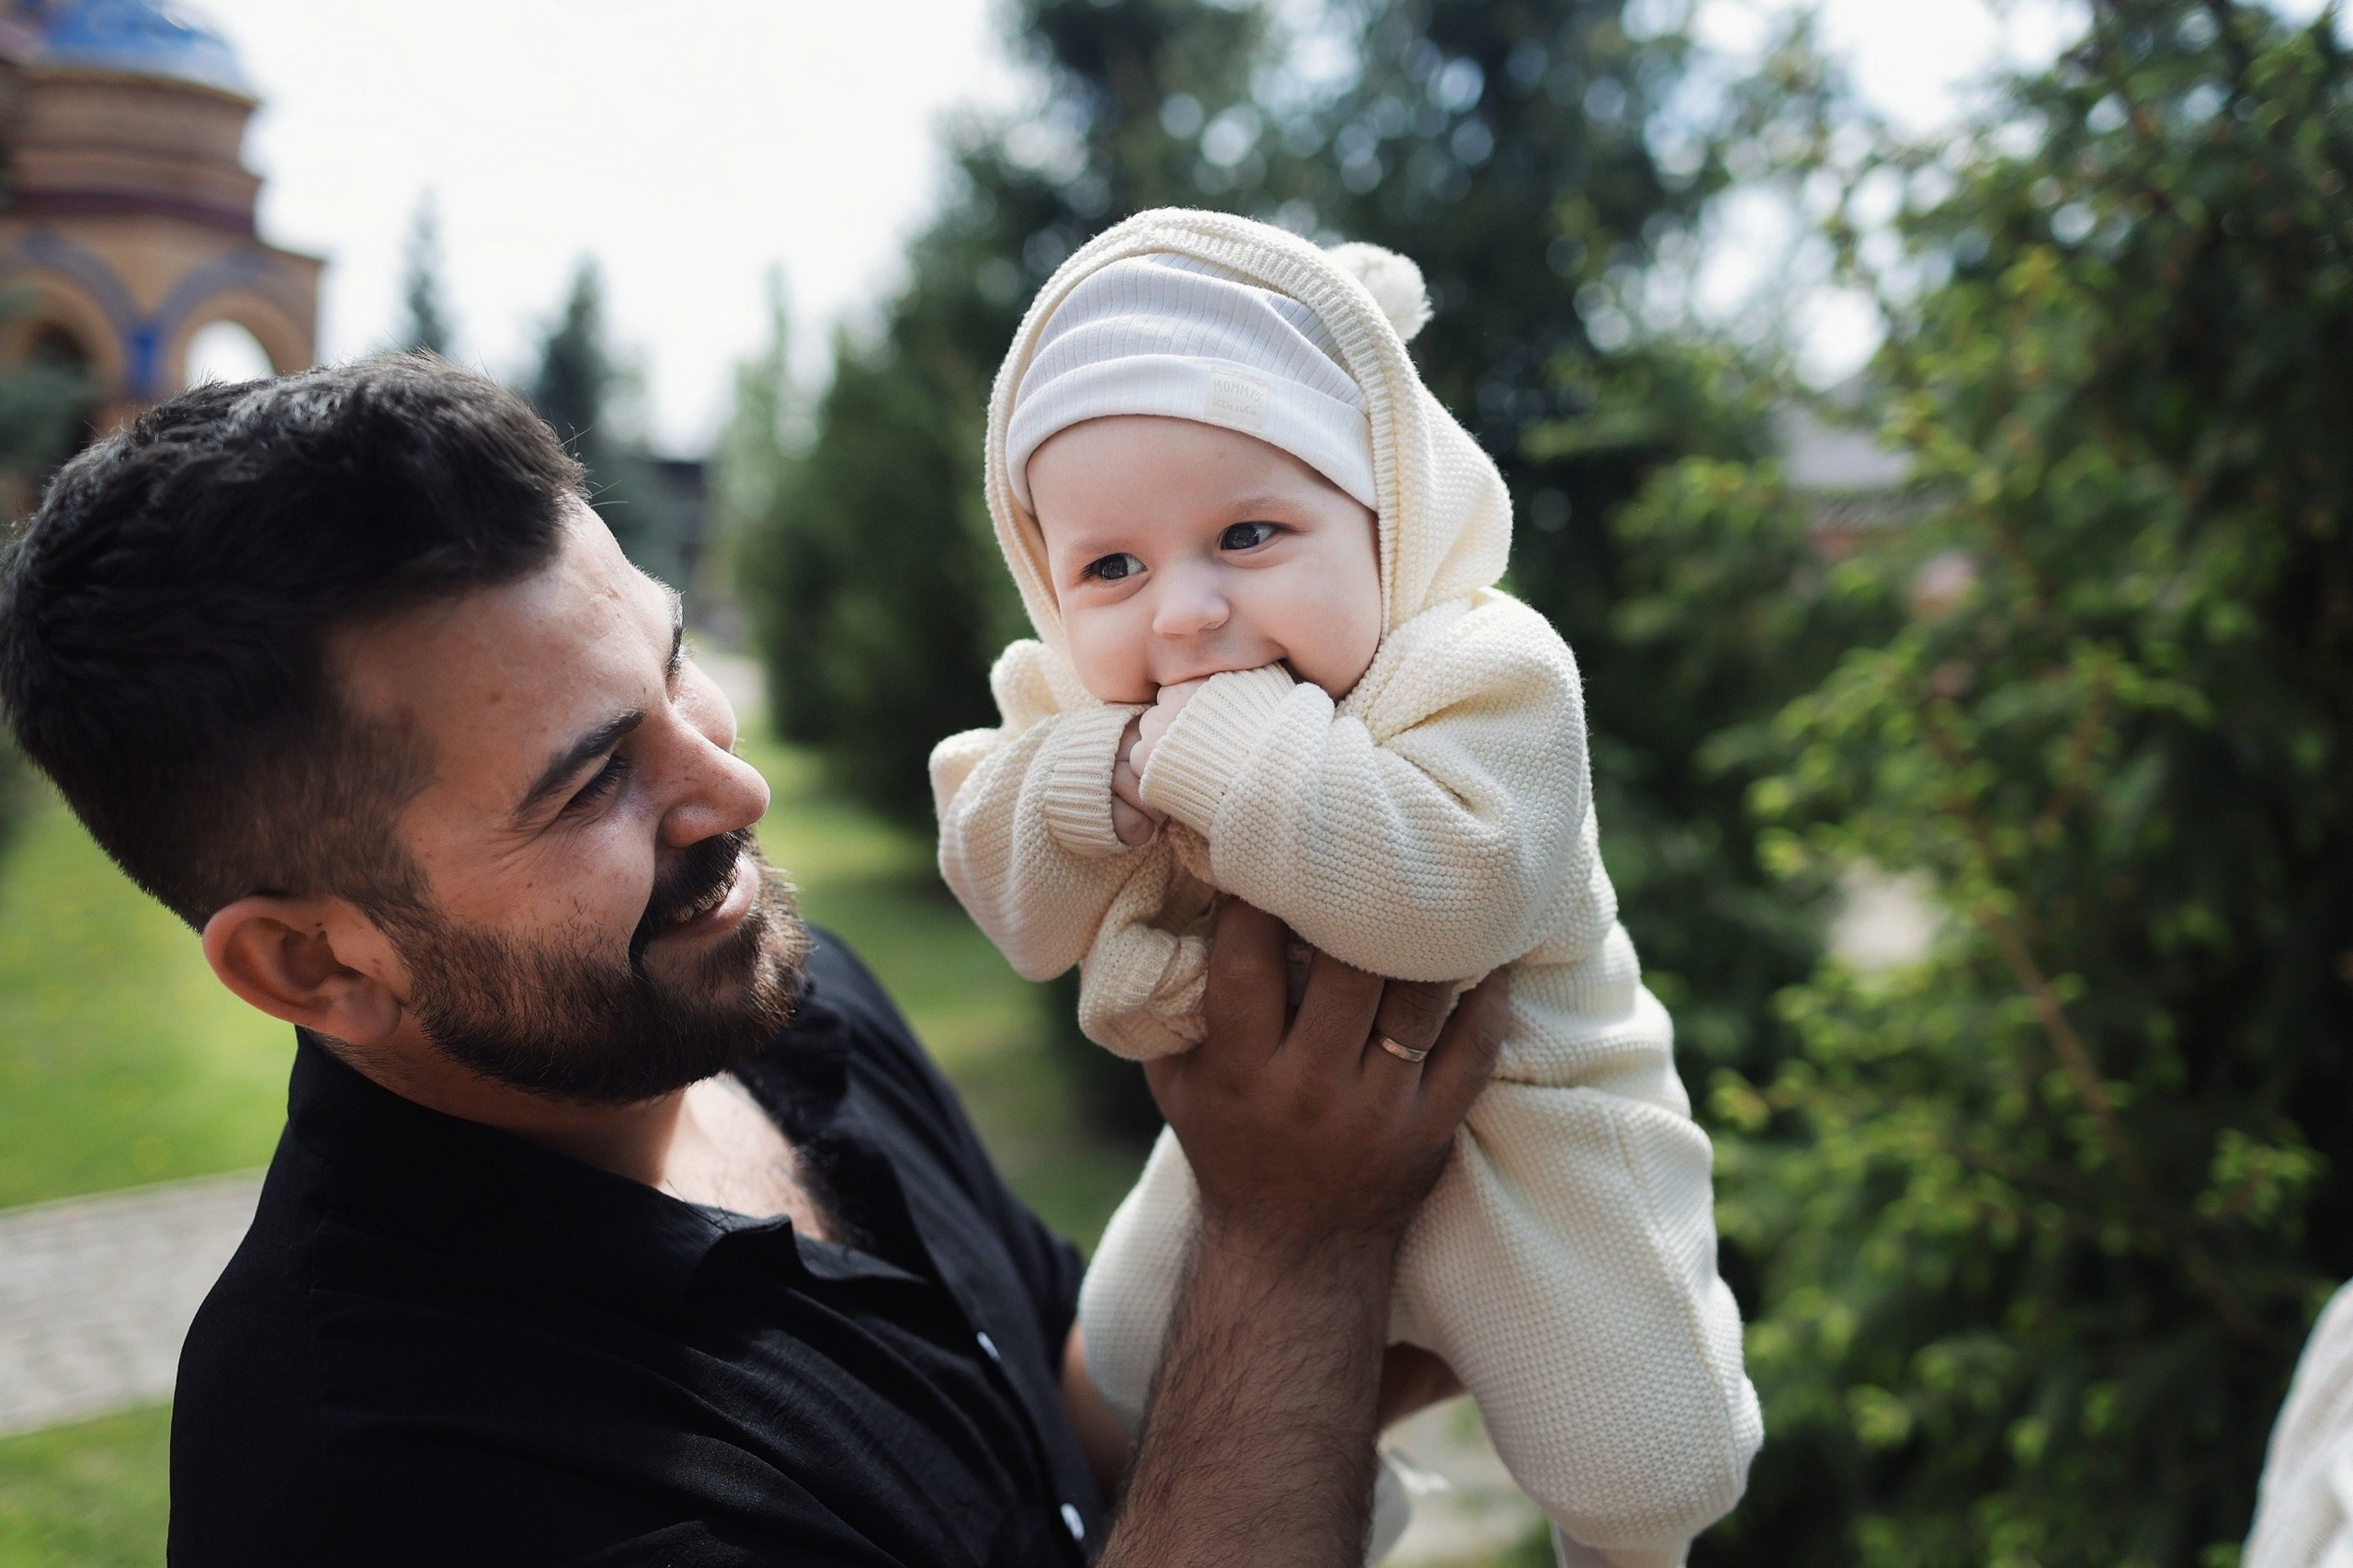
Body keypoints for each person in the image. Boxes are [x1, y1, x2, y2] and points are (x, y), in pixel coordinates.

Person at [0, 356, 1507, 1567]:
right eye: (590, 782)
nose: (733, 791)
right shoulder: (395, 1477)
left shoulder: (761, 997)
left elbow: (1069, 1417)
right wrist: (1294, 1236)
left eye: (670, 668)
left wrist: (1467, 1269)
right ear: (313, 965)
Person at [931, 209, 1760, 1567]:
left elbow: (1450, 898)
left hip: (1528, 1133)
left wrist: (1199, 745)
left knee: (1647, 1456)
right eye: (1112, 567)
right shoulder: (1082, 716)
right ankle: (1336, 1513)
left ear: (1389, 511)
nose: (1185, 613)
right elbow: (1012, 902)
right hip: (1237, 1154)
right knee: (1136, 1382)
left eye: (1250, 533)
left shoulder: (1488, 671)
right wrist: (1104, 775)